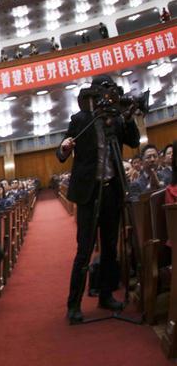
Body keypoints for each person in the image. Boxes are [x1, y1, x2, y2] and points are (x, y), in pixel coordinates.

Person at [57, 75, 141, 324]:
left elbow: (134, 141)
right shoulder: (80, 119)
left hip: (112, 191)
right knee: (84, 250)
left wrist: (128, 118)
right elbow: (62, 151)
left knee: (110, 247)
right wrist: (64, 147)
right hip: (89, 193)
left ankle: (106, 294)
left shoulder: (116, 119)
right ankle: (74, 304)